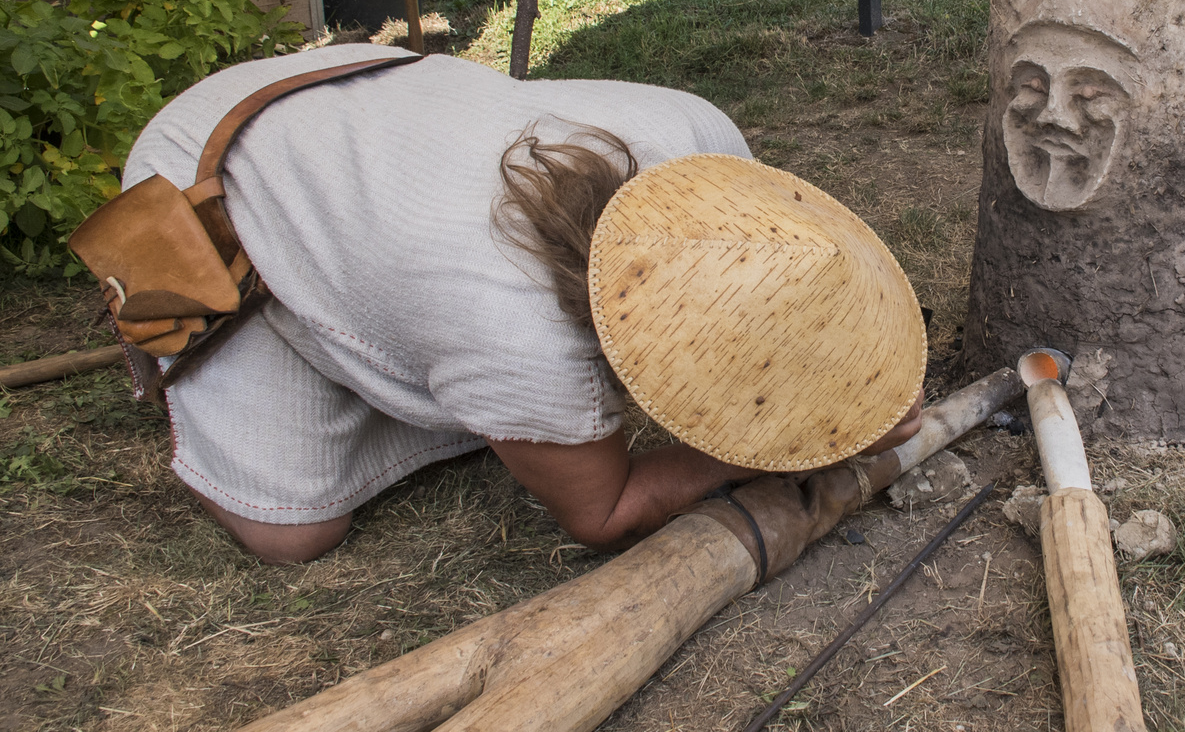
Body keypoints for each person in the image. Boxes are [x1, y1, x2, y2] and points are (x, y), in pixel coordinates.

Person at [122, 44, 923, 564]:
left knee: (469, 389)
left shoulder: (700, 136)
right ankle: (278, 316)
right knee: (291, 532)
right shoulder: (521, 335)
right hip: (208, 165)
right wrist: (800, 443)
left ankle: (379, 335)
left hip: (366, 91)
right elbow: (604, 511)